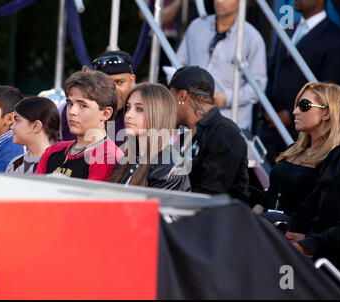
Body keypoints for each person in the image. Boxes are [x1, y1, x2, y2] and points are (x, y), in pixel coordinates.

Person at [263, 82, 340, 286]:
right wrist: (287, 231)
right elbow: (311, 206)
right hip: (319, 246)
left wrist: (310, 244)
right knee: (265, 229)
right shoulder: (337, 154)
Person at [261, 0, 340, 165]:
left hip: (304, 133)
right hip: (270, 127)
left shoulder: (337, 38)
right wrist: (268, 108)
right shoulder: (287, 29)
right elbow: (273, 72)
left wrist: (290, 114)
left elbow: (329, 88)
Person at [254, 82, 340, 214]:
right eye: (297, 105)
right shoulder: (293, 149)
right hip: (265, 226)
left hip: (295, 232)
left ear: (326, 113)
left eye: (304, 105)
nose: (295, 111)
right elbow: (269, 195)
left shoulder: (335, 158)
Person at [176, 0, 267, 130]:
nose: (220, 1)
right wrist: (181, 91)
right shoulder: (196, 26)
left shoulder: (252, 38)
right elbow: (177, 65)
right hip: (190, 118)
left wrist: (227, 97)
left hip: (229, 122)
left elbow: (258, 86)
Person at [169, 66, 249, 202]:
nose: (167, 104)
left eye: (170, 96)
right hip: (181, 214)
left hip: (214, 219)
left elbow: (209, 195)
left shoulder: (225, 133)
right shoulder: (183, 131)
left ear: (182, 95)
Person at [35, 68, 123, 181]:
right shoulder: (54, 150)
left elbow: (88, 198)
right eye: (70, 103)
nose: (72, 111)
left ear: (106, 113)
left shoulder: (108, 157)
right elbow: (35, 193)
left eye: (83, 105)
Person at [108, 83, 190, 191]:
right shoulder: (130, 157)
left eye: (139, 109)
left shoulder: (169, 167)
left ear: (158, 115)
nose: (128, 114)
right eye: (128, 107)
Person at [60, 50, 136, 148]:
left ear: (132, 80)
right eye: (105, 84)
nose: (113, 90)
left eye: (119, 82)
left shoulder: (143, 116)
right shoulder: (69, 109)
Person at [6, 96, 60, 175]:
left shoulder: (56, 166)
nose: (12, 127)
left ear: (36, 126)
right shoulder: (14, 163)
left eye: (17, 120)